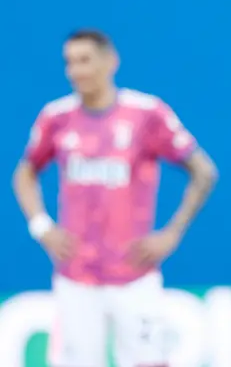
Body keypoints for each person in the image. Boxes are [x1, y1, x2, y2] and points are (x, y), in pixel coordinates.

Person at [12, 29, 218, 367]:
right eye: (69, 62)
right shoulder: (56, 117)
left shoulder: (146, 114)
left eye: (85, 60)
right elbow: (25, 172)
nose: (76, 71)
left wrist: (172, 232)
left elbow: (204, 171)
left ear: (111, 62)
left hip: (133, 274)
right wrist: (41, 225)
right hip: (76, 277)